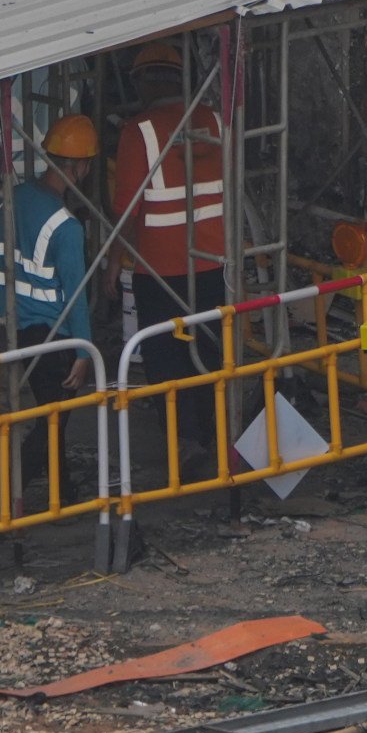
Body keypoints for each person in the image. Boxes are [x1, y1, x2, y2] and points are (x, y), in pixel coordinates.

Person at [108, 45, 231, 480]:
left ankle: (184, 447)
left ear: (143, 82)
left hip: (158, 272)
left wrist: (110, 269)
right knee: (211, 355)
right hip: (214, 266)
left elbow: (126, 212)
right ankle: (216, 440)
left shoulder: (137, 132)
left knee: (166, 362)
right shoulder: (215, 121)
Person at [2, 115, 106, 509]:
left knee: (52, 416)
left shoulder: (15, 199)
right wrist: (83, 352)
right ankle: (6, 496)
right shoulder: (67, 227)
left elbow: (3, 264)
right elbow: (76, 296)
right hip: (53, 332)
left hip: (17, 326)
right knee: (53, 419)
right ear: (81, 166)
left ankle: (61, 489)